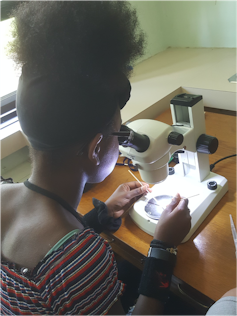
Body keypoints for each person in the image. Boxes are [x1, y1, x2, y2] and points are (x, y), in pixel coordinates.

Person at [0, 0, 191, 315]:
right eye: (119, 136)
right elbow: (65, 269)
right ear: (96, 148)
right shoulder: (78, 260)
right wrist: (163, 247)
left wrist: (94, 221)